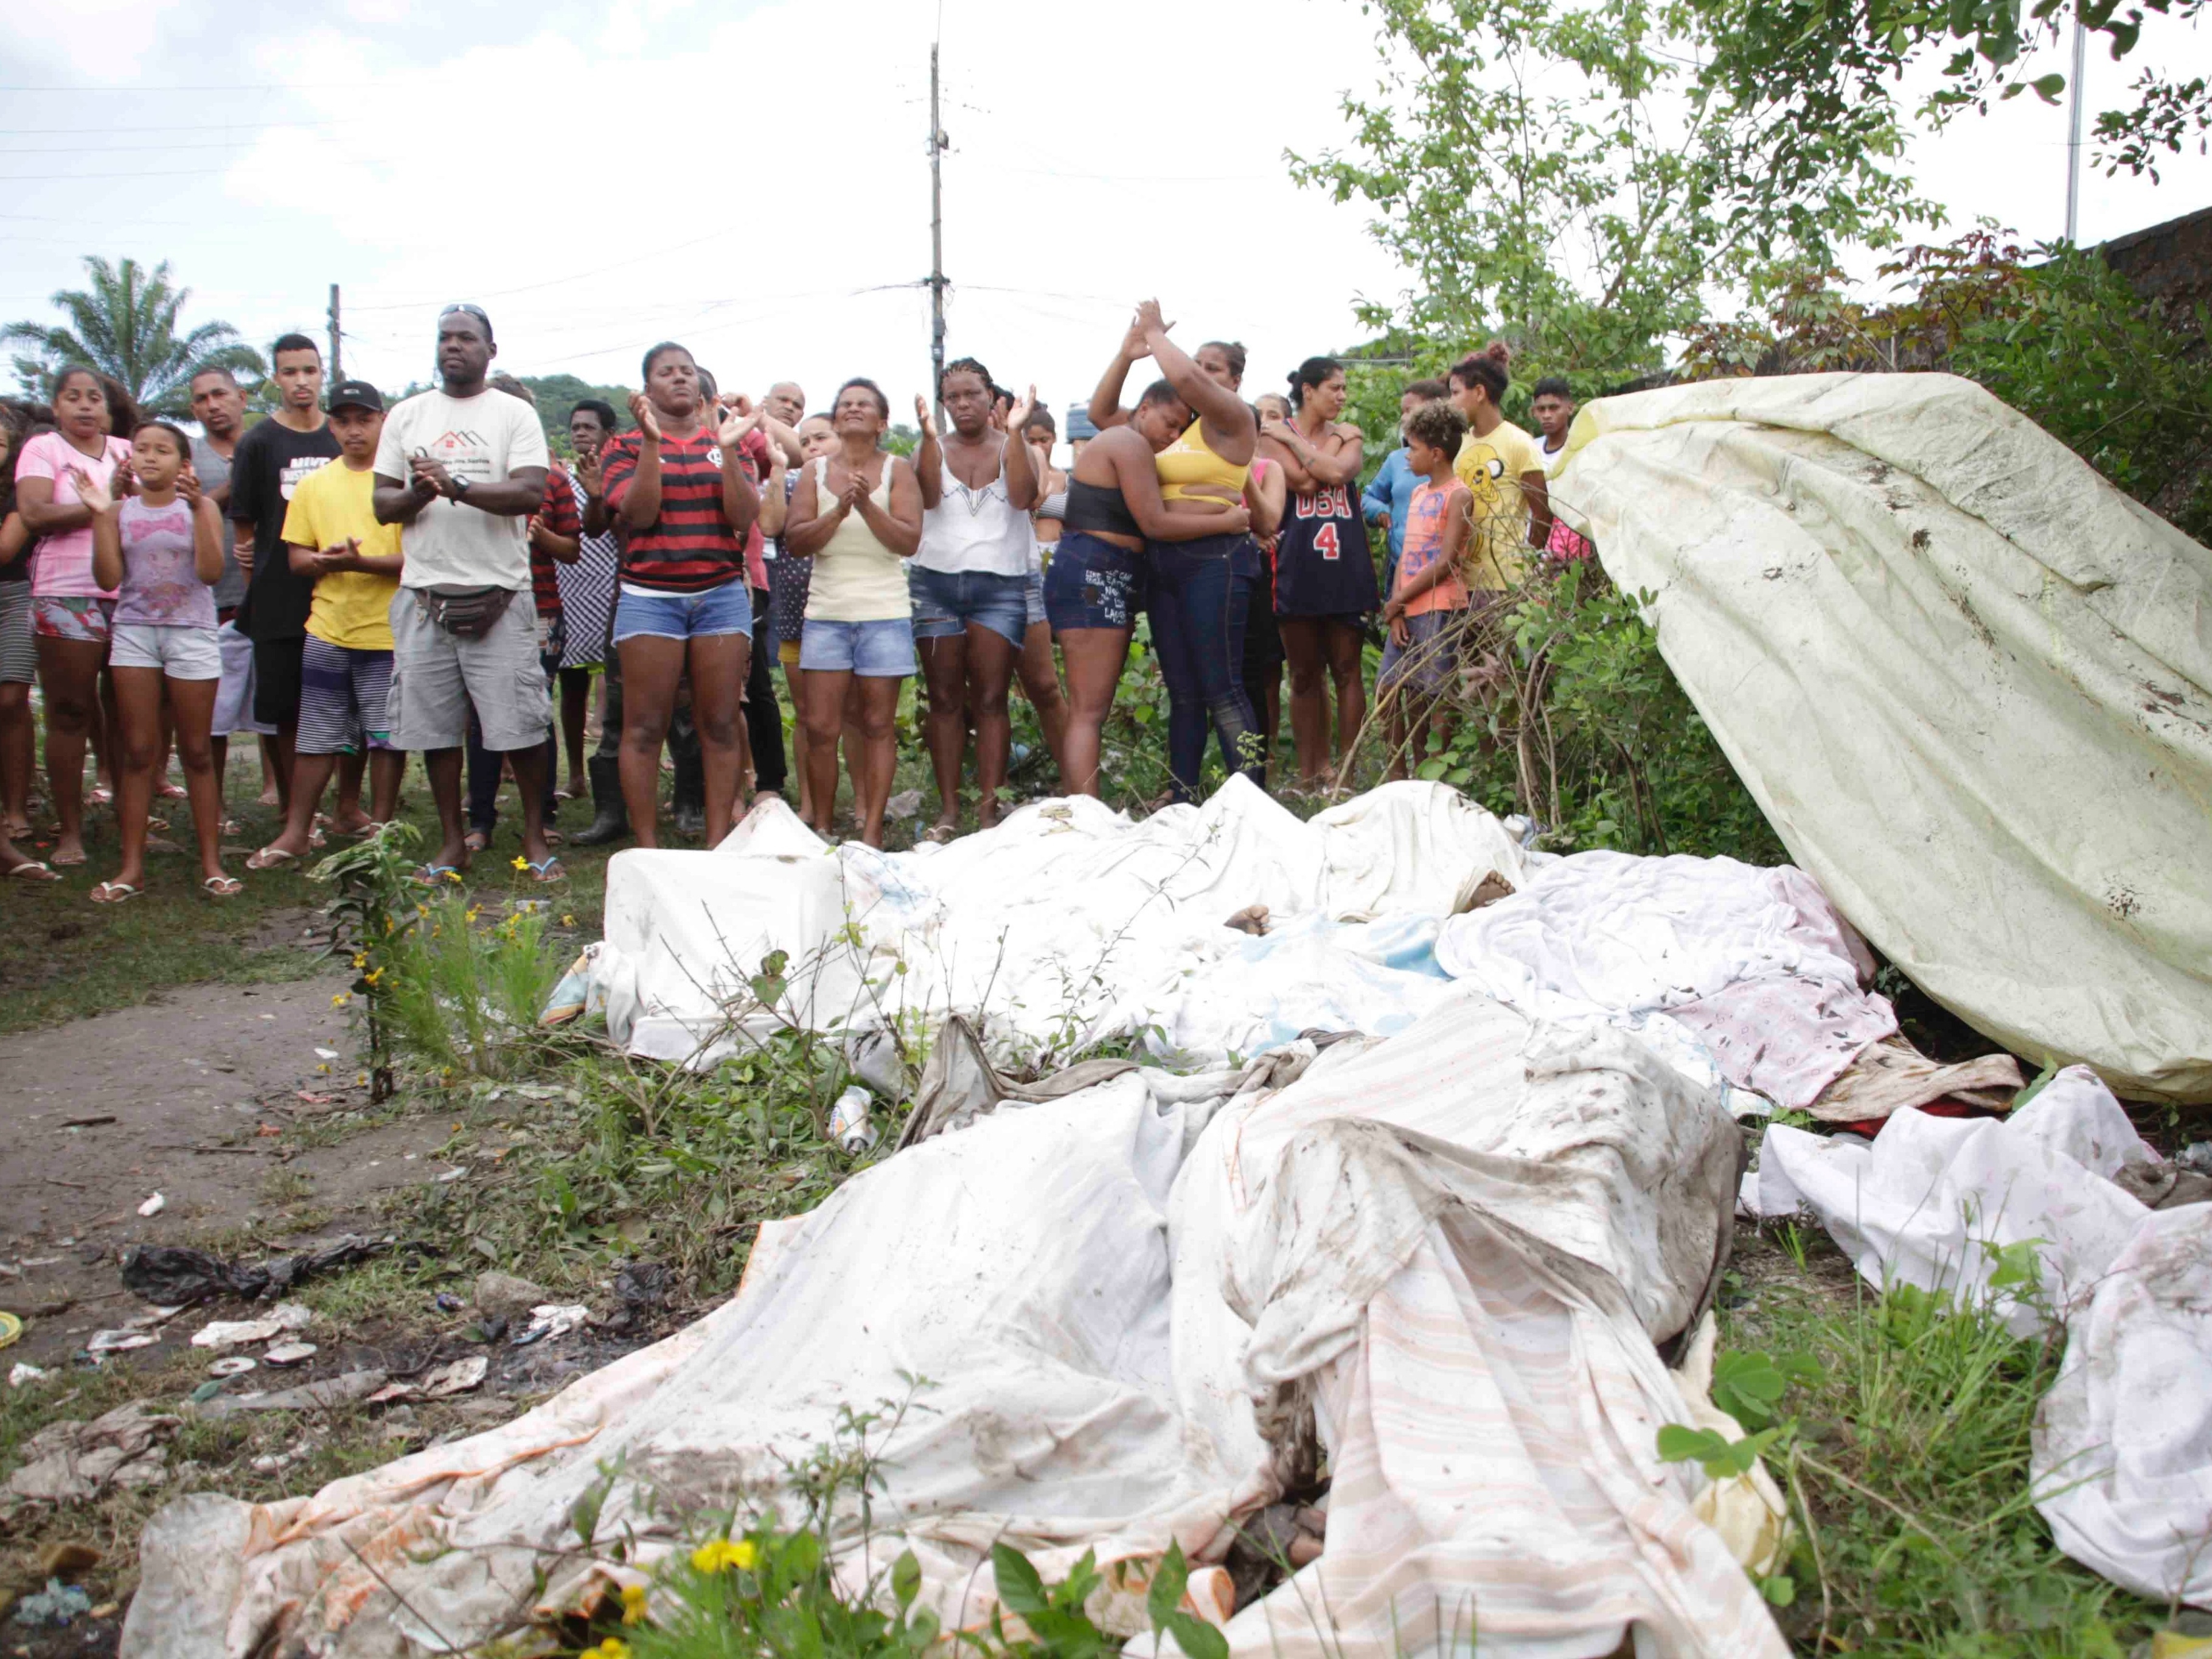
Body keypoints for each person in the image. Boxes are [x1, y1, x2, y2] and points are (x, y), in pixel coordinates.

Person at [371, 304, 555, 883]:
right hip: (425, 594)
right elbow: (382, 505)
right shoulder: (406, 415)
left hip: (500, 593)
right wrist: (423, 493)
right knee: (434, 730)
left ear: (491, 351)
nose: (454, 347)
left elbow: (529, 494)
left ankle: (532, 833)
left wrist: (458, 486)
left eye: (467, 338)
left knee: (519, 726)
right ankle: (453, 839)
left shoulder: (515, 415)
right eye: (445, 338)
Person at [1086, 305, 1265, 802]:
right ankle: (1181, 792)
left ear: (1231, 380)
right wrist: (1127, 355)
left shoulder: (1235, 420)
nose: (1197, 373)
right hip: (1164, 562)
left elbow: (1181, 373)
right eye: (1197, 364)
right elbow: (1101, 414)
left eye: (1211, 368)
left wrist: (1157, 334)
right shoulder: (1173, 427)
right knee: (1183, 689)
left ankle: (1250, 800)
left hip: (1217, 560)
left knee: (1223, 687)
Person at [1049, 374, 1251, 799]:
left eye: (1182, 429)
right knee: (1089, 711)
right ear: (1143, 409)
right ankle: (1083, 813)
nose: (1174, 436)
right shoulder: (1128, 443)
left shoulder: (1134, 443)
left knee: (1092, 710)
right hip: (1094, 574)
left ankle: (1083, 808)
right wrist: (1227, 520)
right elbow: (1155, 522)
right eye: (1170, 424)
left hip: (1110, 574)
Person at [597, 342, 761, 850]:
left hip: (720, 596)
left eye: (687, 371)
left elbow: (742, 517)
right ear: (647, 389)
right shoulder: (623, 446)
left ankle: (717, 844)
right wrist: (651, 442)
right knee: (644, 727)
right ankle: (647, 847)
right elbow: (639, 513)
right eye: (666, 373)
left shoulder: (726, 440)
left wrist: (730, 449)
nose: (680, 379)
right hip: (651, 597)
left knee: (719, 723)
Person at [246, 380, 406, 871]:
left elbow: (417, 560)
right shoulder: (313, 486)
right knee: (317, 735)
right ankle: (297, 831)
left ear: (384, 420)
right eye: (343, 421)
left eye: (365, 419)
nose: (353, 430)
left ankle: (379, 832)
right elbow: (295, 557)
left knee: (384, 736)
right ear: (331, 425)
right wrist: (327, 559)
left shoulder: (399, 485)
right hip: (327, 628)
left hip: (388, 631)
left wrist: (362, 563)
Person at [80, 420, 233, 900]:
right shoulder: (120, 511)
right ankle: (131, 869)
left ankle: (212, 864)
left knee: (197, 752)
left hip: (191, 632)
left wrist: (200, 507)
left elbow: (210, 572)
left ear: (183, 463)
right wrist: (101, 515)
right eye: (142, 449)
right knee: (139, 752)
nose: (149, 457)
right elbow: (107, 578)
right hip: (135, 634)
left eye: (162, 450)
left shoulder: (201, 505)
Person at [782, 378, 922, 847]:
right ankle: (822, 825)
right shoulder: (814, 473)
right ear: (837, 419)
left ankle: (872, 829)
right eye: (845, 404)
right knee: (821, 727)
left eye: (864, 404)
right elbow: (796, 540)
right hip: (826, 613)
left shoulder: (900, 470)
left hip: (884, 612)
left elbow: (908, 540)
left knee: (877, 725)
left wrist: (866, 505)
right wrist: (838, 513)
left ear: (882, 422)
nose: (853, 409)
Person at [909, 359, 1042, 837]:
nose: (962, 404)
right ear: (943, 404)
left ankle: (988, 811)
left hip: (1000, 588)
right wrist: (926, 439)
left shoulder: (1014, 446)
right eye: (953, 398)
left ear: (991, 397)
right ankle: (949, 812)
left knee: (990, 699)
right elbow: (924, 498)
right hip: (935, 585)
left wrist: (1018, 434)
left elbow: (1027, 498)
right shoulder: (931, 448)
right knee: (944, 699)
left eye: (972, 394)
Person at [14, 367, 133, 867]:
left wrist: (111, 502)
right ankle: (69, 834)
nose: (85, 406)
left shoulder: (129, 451)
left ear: (107, 408)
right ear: (57, 407)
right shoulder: (43, 450)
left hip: (137, 594)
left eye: (94, 398)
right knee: (69, 712)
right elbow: (36, 514)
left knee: (132, 718)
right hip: (66, 595)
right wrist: (103, 506)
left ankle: (134, 828)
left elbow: (156, 506)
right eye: (73, 397)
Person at [229, 333, 346, 827]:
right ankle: (291, 808)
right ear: (275, 378)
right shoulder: (258, 442)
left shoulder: (341, 435)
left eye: (310, 370)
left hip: (343, 591)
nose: (301, 381)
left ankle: (346, 805)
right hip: (279, 594)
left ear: (323, 374)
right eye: (290, 371)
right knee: (284, 708)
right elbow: (246, 532)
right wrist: (260, 587)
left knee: (344, 704)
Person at [461, 374, 574, 853]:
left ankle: (542, 815)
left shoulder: (552, 480)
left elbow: (572, 549)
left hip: (539, 610)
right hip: (473, 606)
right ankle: (480, 820)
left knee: (534, 713)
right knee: (477, 717)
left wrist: (539, 534)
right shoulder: (462, 476)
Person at [1262, 355, 1374, 794]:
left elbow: (1337, 473)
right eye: (1335, 388)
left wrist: (1310, 452)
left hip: (1346, 565)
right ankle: (1313, 773)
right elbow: (1308, 485)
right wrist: (1325, 450)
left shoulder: (1349, 436)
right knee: (1304, 674)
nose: (1343, 397)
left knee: (1348, 669)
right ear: (1308, 391)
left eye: (1345, 389)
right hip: (1297, 567)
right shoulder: (1272, 438)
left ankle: (1346, 773)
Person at [187, 367, 277, 831]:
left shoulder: (267, 443)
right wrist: (233, 483)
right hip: (208, 594)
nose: (212, 405)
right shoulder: (189, 455)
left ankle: (275, 788)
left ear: (242, 397)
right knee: (214, 710)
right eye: (201, 399)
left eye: (220, 394)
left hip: (266, 588)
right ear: (194, 409)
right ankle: (213, 803)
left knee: (274, 696)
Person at [1377, 398, 1474, 780]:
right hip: (1408, 608)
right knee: (1388, 689)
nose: (1406, 458)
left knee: (1433, 695)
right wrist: (1397, 608)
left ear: (1435, 454)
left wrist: (1400, 598)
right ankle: (1399, 775)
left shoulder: (1459, 495)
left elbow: (1447, 561)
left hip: (1440, 606)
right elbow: (1407, 554)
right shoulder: (1418, 494)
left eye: (1412, 449)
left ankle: (1432, 775)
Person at [759, 411, 843, 824]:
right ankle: (810, 806)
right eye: (805, 441)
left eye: (821, 438)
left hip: (848, 613)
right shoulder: (790, 483)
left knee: (858, 716)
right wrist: (777, 468)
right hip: (797, 618)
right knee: (808, 716)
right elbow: (769, 523)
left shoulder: (857, 484)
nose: (812, 446)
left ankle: (862, 804)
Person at [554, 398, 620, 806]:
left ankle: (613, 770)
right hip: (569, 589)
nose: (580, 433)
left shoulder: (619, 476)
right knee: (572, 684)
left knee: (619, 686)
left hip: (611, 588)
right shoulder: (559, 480)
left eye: (589, 427)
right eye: (576, 427)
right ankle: (576, 773)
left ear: (607, 435)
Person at [1446, 352, 1550, 590]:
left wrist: (1527, 566)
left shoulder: (1519, 443)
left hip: (1506, 583)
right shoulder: (1459, 442)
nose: (1451, 402)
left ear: (1480, 393)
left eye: (1455, 393)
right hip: (1461, 583)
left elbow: (1542, 514)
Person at [1012, 406, 1070, 780]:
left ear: (1054, 439)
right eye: (1030, 440)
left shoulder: (1065, 478)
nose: (1038, 446)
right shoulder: (1017, 474)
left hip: (1056, 562)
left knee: (1052, 667)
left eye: (1044, 440)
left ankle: (1072, 768)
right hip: (1022, 563)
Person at [0, 403, 47, 852]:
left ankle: (17, 806)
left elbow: (5, 548)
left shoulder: (17, 492)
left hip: (12, 596)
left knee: (12, 698)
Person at [1239, 396, 1291, 781]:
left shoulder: (1269, 469)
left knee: (1257, 672)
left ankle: (1256, 767)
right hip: (1210, 577)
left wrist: (1240, 470)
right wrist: (1246, 533)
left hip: (1257, 580)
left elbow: (1269, 523)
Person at [1362, 377, 1450, 595]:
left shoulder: (1456, 457)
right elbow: (1369, 497)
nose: (1403, 418)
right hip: (1401, 565)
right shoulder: (1397, 459)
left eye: (1409, 410)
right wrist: (1380, 512)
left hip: (1442, 570)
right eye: (1402, 412)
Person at [1529, 376, 1592, 565]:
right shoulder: (1531, 449)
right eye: (1541, 409)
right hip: (1534, 548)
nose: (1547, 415)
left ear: (1570, 408)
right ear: (1534, 412)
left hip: (1574, 550)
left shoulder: (1583, 449)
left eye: (1554, 408)